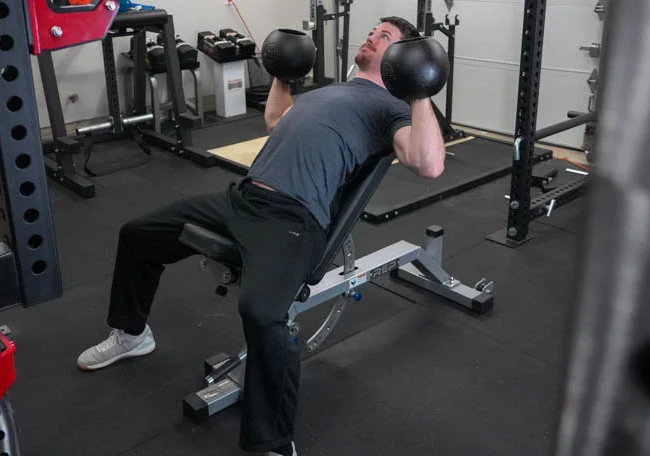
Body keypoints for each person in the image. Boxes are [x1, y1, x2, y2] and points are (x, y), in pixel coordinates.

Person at [76, 16, 447, 456]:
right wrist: (282, 75)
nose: (372, 35)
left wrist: (419, 87)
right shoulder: (331, 90)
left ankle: (273, 441)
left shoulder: (391, 108)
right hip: (242, 199)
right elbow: (276, 119)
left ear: (402, 58)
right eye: (374, 30)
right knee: (139, 233)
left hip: (292, 219)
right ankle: (133, 334)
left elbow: (429, 164)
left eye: (385, 36)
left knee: (262, 312)